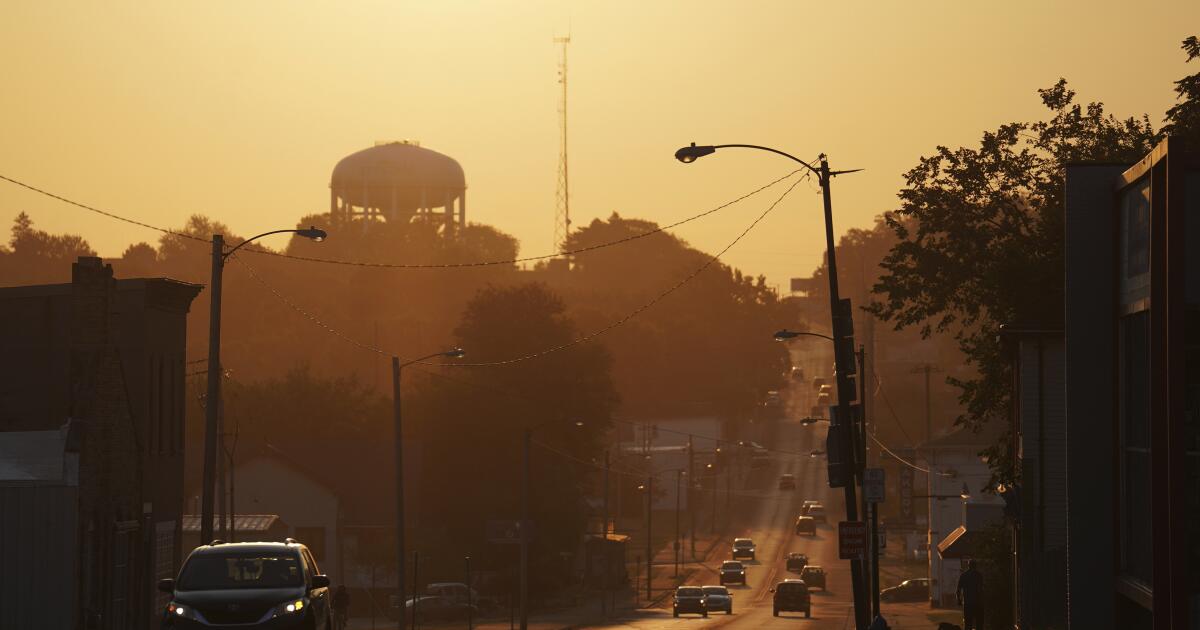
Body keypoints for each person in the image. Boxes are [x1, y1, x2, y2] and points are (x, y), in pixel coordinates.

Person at [956, 559, 984, 630]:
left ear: (968, 566)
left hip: (968, 603)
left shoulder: (963, 575)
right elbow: (981, 589)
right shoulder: (979, 575)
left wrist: (959, 600)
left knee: (968, 623)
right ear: (975, 566)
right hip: (978, 603)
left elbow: (958, 589)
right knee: (979, 623)